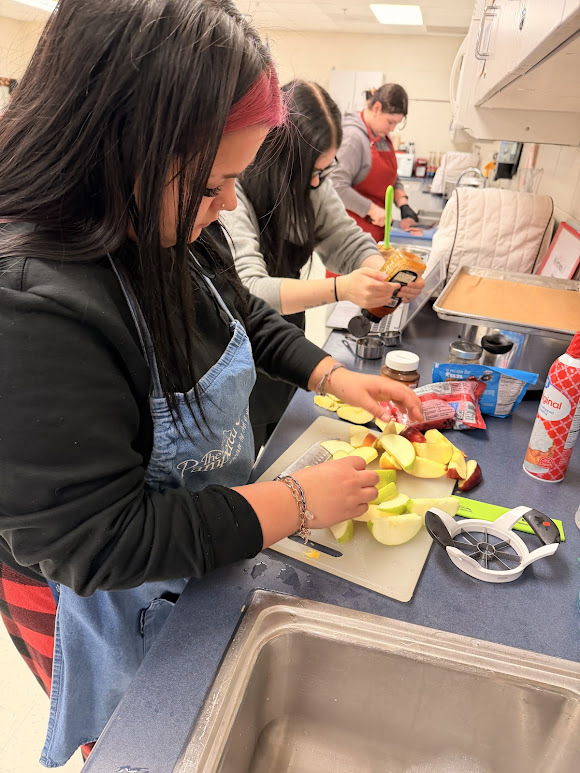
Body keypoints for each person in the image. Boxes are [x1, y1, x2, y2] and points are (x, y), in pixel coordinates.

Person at [0, 1, 423, 767]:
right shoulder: (31, 302)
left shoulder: (169, 221)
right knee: (139, 731)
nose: (229, 204)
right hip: (84, 587)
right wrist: (297, 502)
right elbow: (99, 539)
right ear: (118, 149)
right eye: (213, 184)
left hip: (193, 550)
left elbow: (241, 319)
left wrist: (333, 375)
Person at [221, 80, 425, 448]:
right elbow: (248, 292)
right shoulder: (232, 193)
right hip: (234, 341)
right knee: (241, 439)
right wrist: (340, 288)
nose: (318, 183)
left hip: (285, 332)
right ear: (280, 160)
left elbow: (343, 236)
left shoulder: (312, 183)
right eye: (312, 173)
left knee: (277, 430)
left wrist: (383, 273)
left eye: (324, 172)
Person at [330, 83, 419, 242]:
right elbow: (336, 185)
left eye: (396, 124)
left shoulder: (381, 135)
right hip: (351, 235)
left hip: (374, 233)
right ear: (377, 108)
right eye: (390, 122)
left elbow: (391, 176)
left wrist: (402, 202)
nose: (392, 129)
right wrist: (371, 209)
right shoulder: (353, 137)